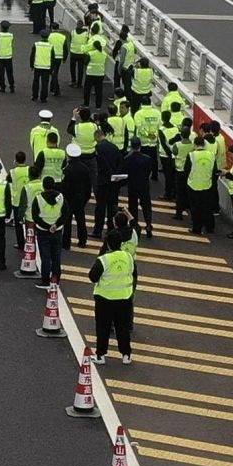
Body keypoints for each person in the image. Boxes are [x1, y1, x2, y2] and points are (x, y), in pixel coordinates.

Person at [88, 231, 138, 365]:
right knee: (123, 328)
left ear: (108, 244)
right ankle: (126, 355)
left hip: (105, 299)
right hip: (125, 298)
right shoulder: (128, 257)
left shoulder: (103, 259)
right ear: (121, 243)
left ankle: (100, 355)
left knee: (103, 328)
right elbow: (134, 274)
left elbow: (92, 277)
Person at [30, 176, 66, 290]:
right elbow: (65, 213)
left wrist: (47, 226)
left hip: (43, 231)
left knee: (45, 256)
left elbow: (35, 216)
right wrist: (55, 225)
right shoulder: (61, 197)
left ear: (43, 186)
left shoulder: (39, 198)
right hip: (57, 231)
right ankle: (56, 278)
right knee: (56, 256)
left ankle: (45, 280)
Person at [93, 135, 125, 238]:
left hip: (103, 181)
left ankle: (98, 230)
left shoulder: (98, 148)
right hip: (114, 182)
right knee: (112, 207)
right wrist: (115, 175)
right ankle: (111, 228)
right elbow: (120, 162)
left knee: (100, 207)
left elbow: (101, 164)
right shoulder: (114, 147)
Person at [186, 134, 219, 235]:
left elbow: (186, 170)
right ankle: (210, 228)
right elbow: (215, 171)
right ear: (204, 144)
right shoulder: (211, 155)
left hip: (193, 185)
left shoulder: (191, 155)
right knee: (207, 207)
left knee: (195, 208)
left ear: (195, 144)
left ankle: (197, 228)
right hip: (207, 185)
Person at [61, 142, 92, 247]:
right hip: (80, 198)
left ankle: (66, 242)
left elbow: (65, 186)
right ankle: (82, 241)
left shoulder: (67, 170)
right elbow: (88, 186)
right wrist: (86, 198)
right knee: (81, 221)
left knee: (67, 221)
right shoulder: (85, 168)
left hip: (69, 199)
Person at [125, 139, 156, 241]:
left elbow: (126, 173)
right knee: (146, 206)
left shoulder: (128, 159)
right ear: (140, 146)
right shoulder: (147, 159)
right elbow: (149, 171)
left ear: (131, 146)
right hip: (144, 185)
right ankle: (148, 225)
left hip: (133, 186)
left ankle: (135, 227)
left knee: (133, 207)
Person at [7, 150, 33, 256]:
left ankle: (20, 243)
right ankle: (30, 239)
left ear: (16, 160)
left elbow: (8, 181)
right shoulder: (29, 170)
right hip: (29, 199)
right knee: (29, 222)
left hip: (17, 201)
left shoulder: (13, 172)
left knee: (18, 224)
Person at [83, 42, 109, 109]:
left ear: (94, 46)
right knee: (99, 91)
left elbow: (85, 62)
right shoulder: (104, 54)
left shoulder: (90, 54)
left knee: (87, 90)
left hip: (90, 73)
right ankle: (98, 106)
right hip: (100, 74)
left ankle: (86, 104)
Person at [46, 22, 69, 97]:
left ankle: (56, 89)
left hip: (50, 57)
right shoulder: (63, 37)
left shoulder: (49, 36)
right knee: (55, 72)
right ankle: (52, 88)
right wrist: (65, 58)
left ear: (51, 28)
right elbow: (65, 49)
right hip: (59, 57)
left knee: (53, 73)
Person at [0, 22, 16, 93]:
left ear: (1, 27)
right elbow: (12, 44)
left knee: (1, 73)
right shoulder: (11, 35)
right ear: (8, 28)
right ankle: (12, 87)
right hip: (8, 56)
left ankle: (2, 87)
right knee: (10, 73)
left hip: (0, 56)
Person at [30, 36, 54, 102]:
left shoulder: (36, 44)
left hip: (37, 66)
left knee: (36, 82)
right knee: (45, 83)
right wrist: (51, 69)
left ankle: (34, 96)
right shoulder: (51, 46)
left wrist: (31, 65)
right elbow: (52, 58)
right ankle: (43, 98)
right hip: (46, 67)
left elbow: (32, 55)